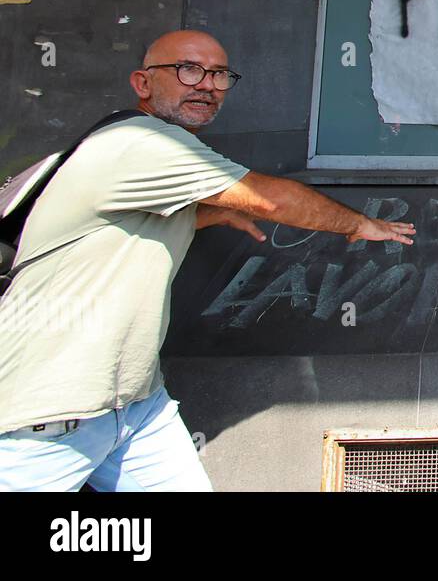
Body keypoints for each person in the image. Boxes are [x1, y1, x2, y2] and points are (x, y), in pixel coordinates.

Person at [0, 29, 415, 491]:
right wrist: (360, 225)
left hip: (135, 405)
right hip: (52, 412)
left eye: (219, 74)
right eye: (188, 69)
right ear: (142, 83)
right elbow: (270, 198)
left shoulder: (142, 153)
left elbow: (123, 222)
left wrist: (213, 214)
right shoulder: (145, 143)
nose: (207, 84)